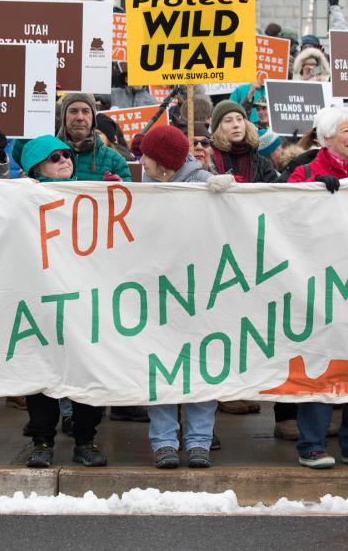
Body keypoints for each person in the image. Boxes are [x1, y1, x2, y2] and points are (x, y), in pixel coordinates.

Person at [285, 106, 348, 469]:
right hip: (318, 282)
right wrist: (311, 195)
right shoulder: (304, 173)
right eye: (347, 131)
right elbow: (287, 218)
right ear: (326, 138)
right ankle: (312, 444)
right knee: (319, 360)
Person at [138, 125, 234, 468]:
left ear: (163, 161)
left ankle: (198, 441)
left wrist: (231, 195)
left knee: (201, 366)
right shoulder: (146, 186)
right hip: (158, 291)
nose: (141, 162)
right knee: (161, 366)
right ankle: (164, 441)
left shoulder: (204, 185)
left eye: (146, 157)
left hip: (202, 293)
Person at [18, 134, 108, 468]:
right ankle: (42, 442)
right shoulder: (21, 199)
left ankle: (86, 440)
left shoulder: (90, 195)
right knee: (42, 377)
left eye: (67, 155)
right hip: (40, 304)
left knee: (86, 374)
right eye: (54, 158)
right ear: (36, 167)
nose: (65, 160)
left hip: (83, 304)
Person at [56, 92, 131, 181]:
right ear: (64, 116)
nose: (80, 117)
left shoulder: (115, 161)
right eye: (73, 111)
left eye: (86, 111)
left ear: (93, 118)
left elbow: (126, 193)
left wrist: (116, 187)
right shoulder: (47, 156)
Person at [209, 100, 280, 182]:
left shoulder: (262, 163)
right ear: (218, 128)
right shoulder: (209, 160)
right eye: (228, 120)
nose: (236, 125)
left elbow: (277, 191)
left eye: (239, 119)